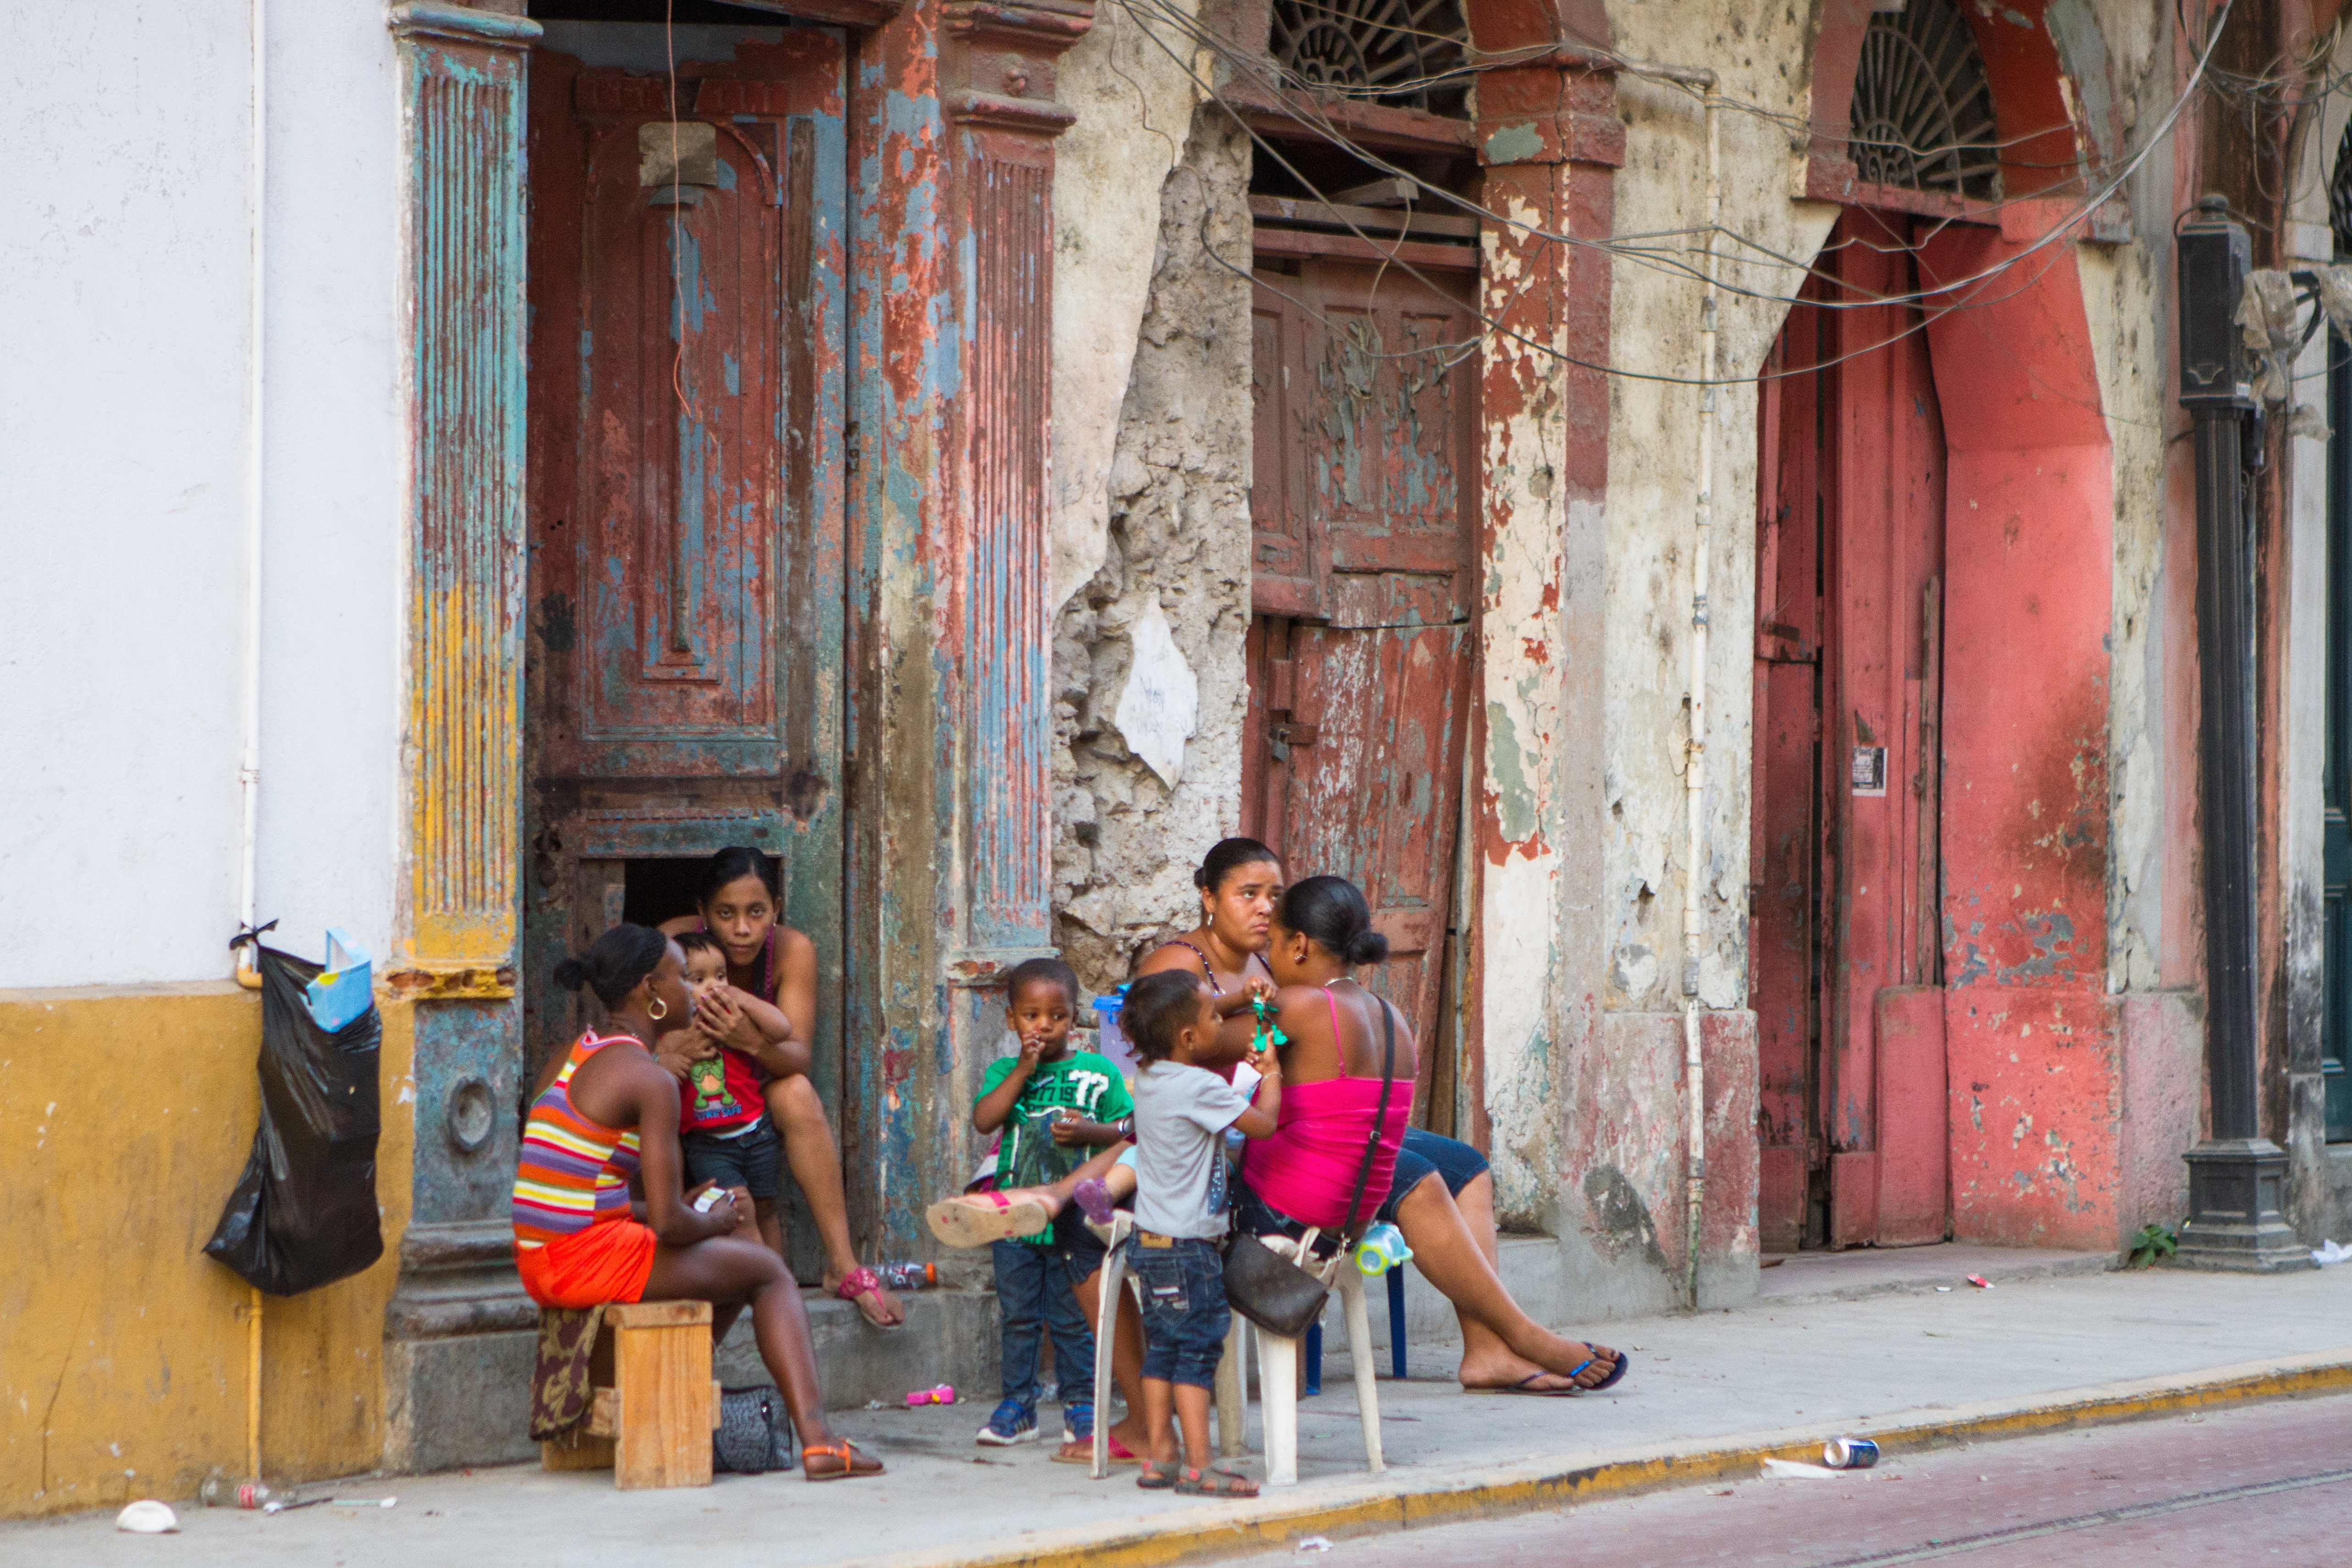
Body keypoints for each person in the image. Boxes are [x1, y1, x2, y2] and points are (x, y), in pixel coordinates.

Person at [512, 924, 882, 1480]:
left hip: (540, 1257)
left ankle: (671, 1382)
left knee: (723, 1250)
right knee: (768, 1272)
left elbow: (574, 1187)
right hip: (579, 1260)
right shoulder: (649, 1078)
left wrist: (690, 1214)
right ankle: (821, 1441)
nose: (694, 989)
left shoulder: (572, 1054)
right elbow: (667, 1223)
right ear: (650, 991)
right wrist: (716, 1219)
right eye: (683, 976)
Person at [661, 847, 904, 1328]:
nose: (743, 929)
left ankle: (841, 1262)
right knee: (654, 1094)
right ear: (703, 913)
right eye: (725, 914)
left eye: (757, 912)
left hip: (751, 1093)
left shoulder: (791, 950)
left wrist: (745, 1038)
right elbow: (646, 1032)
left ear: (776, 907)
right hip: (689, 1094)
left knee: (795, 1091)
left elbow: (796, 1055)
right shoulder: (673, 943)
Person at [1122, 968, 1283, 1496]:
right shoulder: (1197, 1085)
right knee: (1196, 1351)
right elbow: (1262, 1125)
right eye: (1213, 1014)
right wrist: (1273, 1074)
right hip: (1189, 1247)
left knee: (1163, 1349)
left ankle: (1159, 1455)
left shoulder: (1148, 1077)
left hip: (1149, 1242)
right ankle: (1199, 1464)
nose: (1221, 1019)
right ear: (1188, 1038)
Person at [967, 957, 1134, 1447]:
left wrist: (1090, 1131)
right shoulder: (1006, 1070)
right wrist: (1024, 1068)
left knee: (1070, 1315)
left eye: (1056, 1016)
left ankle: (1080, 1401)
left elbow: (1128, 1132)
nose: (1043, 1025)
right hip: (1015, 1215)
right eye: (1030, 1015)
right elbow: (984, 1119)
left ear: (1074, 1017)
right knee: (1018, 1314)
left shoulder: (1099, 1072)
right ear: (1011, 1019)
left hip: (1072, 1220)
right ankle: (1018, 1403)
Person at [652, 930, 803, 1260]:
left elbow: (782, 1029)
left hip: (757, 1132)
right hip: (709, 1144)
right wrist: (668, 1058)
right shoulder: (673, 1029)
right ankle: (762, 1282)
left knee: (765, 1211)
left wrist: (742, 997)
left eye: (721, 975)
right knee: (738, 1213)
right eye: (699, 978)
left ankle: (780, 1282)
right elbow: (651, 1063)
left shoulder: (733, 1015)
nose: (714, 986)